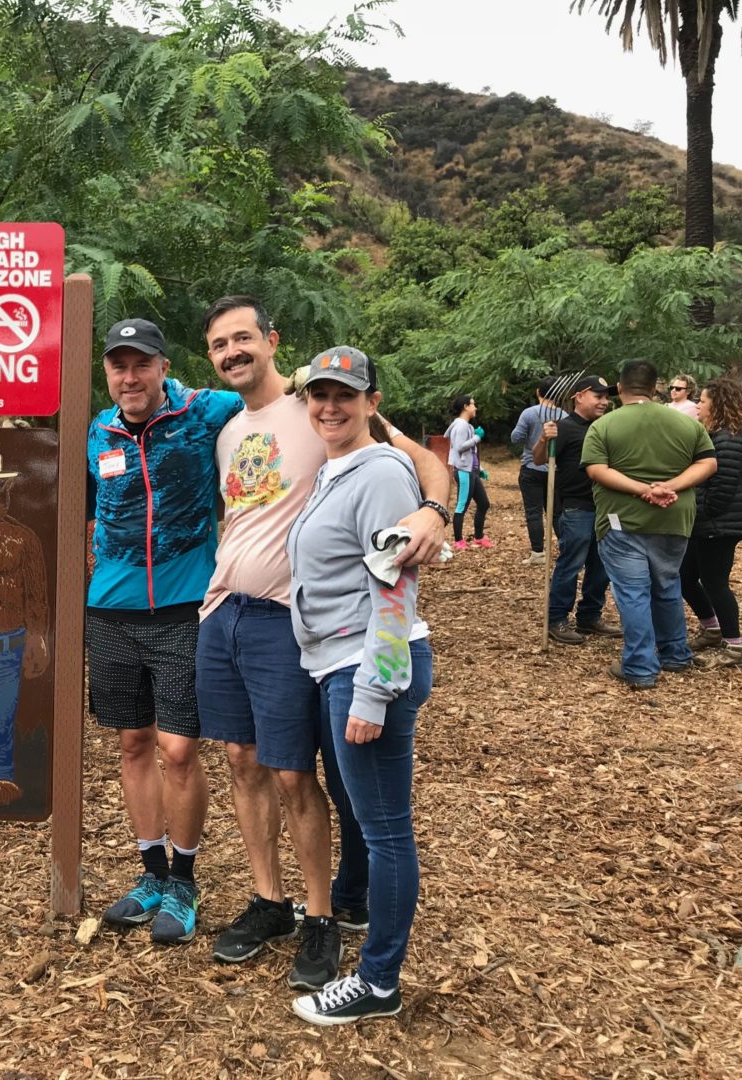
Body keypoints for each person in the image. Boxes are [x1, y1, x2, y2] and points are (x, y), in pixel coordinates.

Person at [195, 296, 448, 993]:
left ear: (272, 340)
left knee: (294, 774)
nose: (232, 351)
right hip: (226, 613)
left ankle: (325, 917)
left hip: (298, 629)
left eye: (243, 337)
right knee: (242, 761)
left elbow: (422, 469)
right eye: (219, 343)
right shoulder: (229, 426)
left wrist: (433, 511)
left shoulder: (334, 423)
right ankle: (270, 901)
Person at [284, 346, 432, 1026]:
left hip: (366, 666)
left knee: (386, 832)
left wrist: (373, 691)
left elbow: (396, 591)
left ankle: (378, 982)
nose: (330, 406)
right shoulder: (336, 468)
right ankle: (356, 912)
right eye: (319, 394)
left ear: (372, 402)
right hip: (337, 663)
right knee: (369, 820)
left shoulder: (380, 473)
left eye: (345, 395)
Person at [88, 317, 243, 946]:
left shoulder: (204, 412)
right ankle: (151, 872)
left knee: (178, 749)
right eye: (119, 366)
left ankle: (184, 878)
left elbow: (272, 401)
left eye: (141, 364)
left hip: (185, 604)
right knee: (132, 744)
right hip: (112, 608)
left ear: (163, 367)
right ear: (107, 372)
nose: (130, 377)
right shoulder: (97, 431)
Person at [582, 359, 717, 688]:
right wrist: (671, 486)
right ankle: (675, 654)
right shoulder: (685, 423)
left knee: (633, 593)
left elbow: (596, 469)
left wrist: (643, 489)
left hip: (622, 520)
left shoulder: (604, 426)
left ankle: (640, 666)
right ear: (656, 387)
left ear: (619, 387)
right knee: (667, 585)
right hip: (674, 518)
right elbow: (708, 463)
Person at [533, 376, 623, 644]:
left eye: (606, 397)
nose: (604, 402)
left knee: (602, 565)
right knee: (571, 563)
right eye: (598, 396)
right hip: (576, 508)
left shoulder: (605, 427)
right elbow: (539, 459)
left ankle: (589, 616)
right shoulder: (563, 427)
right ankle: (556, 618)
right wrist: (544, 438)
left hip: (606, 507)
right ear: (579, 396)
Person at [681, 376, 742, 668]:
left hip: (718, 526)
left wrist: (699, 512)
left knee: (715, 582)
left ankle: (735, 645)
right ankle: (712, 627)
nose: (698, 406)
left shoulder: (728, 440)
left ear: (717, 404)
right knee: (685, 577)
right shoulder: (718, 435)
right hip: (708, 524)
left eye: (702, 401)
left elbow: (721, 491)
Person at [511, 380, 557, 565]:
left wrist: (531, 438)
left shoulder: (530, 413)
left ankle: (538, 553)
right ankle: (567, 550)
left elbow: (516, 437)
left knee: (534, 512)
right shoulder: (563, 415)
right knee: (556, 512)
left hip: (531, 468)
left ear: (538, 392)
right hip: (555, 470)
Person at [445, 394, 492, 550]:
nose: (475, 407)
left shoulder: (468, 426)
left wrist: (480, 468)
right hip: (463, 471)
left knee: (484, 504)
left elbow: (471, 452)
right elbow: (460, 447)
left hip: (472, 470)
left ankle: (478, 537)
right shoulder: (461, 426)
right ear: (465, 407)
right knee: (462, 506)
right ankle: (458, 541)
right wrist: (477, 437)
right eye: (473, 404)